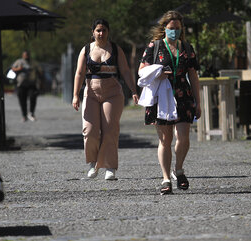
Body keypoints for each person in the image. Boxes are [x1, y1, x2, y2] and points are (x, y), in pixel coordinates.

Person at [138, 10, 201, 195]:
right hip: (161, 94)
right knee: (165, 140)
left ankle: (179, 169)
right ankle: (166, 178)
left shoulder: (187, 48)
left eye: (177, 28)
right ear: (164, 28)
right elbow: (142, 69)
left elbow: (193, 75)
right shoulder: (154, 46)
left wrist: (198, 101)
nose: (174, 31)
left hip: (183, 94)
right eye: (171, 28)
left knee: (183, 137)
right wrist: (158, 72)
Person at [72, 19, 139, 180]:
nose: (101, 33)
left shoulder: (116, 49)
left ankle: (110, 167)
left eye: (104, 30)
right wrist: (75, 95)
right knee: (89, 130)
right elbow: (79, 73)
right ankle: (93, 163)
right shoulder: (86, 49)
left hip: (112, 94)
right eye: (98, 30)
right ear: (93, 32)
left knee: (110, 130)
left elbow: (125, 71)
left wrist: (134, 91)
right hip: (92, 94)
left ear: (108, 32)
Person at [11, 50, 43, 122]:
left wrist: (40, 80)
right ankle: (24, 115)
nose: (26, 57)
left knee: (33, 97)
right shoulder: (19, 62)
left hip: (31, 83)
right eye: (25, 55)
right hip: (21, 84)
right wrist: (20, 69)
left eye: (27, 55)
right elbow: (12, 69)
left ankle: (31, 113)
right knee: (22, 100)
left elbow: (40, 71)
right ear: (23, 56)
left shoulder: (34, 63)